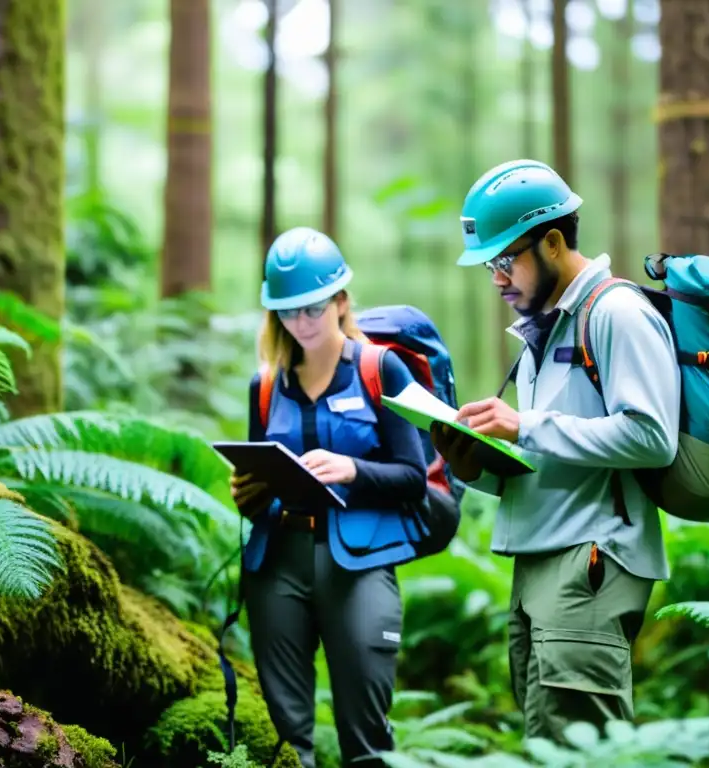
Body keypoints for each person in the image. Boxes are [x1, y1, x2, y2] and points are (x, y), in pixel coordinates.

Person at [431, 159, 681, 742]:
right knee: (547, 739)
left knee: (582, 744)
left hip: (590, 561)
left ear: (551, 242)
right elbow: (553, 454)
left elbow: (652, 436)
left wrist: (526, 426)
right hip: (539, 560)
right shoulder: (542, 329)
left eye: (503, 260)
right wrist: (477, 467)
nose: (496, 279)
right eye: (488, 265)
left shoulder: (617, 313)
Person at [230, 226, 428, 768]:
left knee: (365, 736)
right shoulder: (266, 385)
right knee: (289, 737)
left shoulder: (379, 369)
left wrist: (351, 470)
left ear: (341, 301)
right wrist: (247, 493)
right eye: (288, 312)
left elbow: (413, 476)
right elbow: (260, 488)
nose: (302, 323)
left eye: (314, 309)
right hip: (278, 566)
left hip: (360, 563)